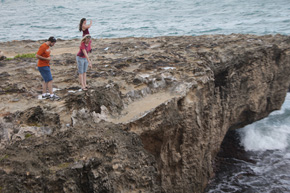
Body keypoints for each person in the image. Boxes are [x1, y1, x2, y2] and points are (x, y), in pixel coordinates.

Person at [36, 36, 60, 101]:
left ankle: (44, 94)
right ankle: (51, 95)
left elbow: (46, 54)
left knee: (46, 80)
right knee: (50, 80)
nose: (53, 45)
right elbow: (37, 55)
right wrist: (46, 59)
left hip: (46, 65)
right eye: (53, 43)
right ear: (50, 42)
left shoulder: (48, 46)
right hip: (42, 66)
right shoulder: (43, 46)